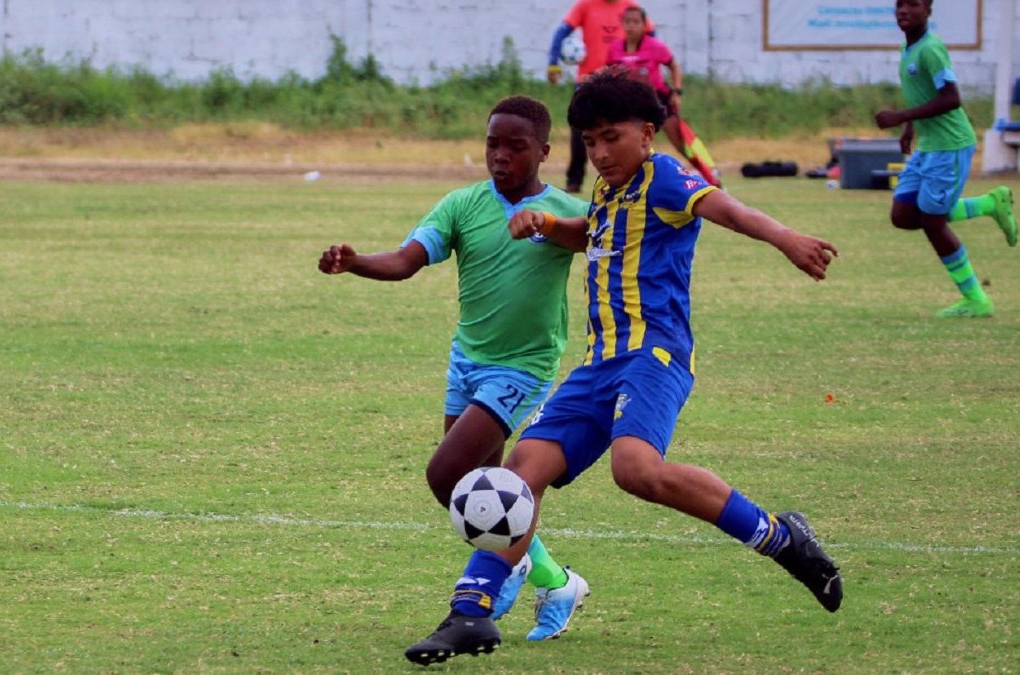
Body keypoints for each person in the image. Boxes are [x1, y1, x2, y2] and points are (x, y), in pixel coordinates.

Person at [404, 69, 844, 667]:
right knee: (519, 473)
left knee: (635, 469)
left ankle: (780, 536)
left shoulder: (663, 175)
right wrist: (547, 225)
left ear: (647, 132)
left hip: (654, 354)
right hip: (599, 362)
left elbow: (727, 208)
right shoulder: (610, 191)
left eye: (611, 138)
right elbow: (594, 234)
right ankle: (470, 613)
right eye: (589, 142)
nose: (601, 153)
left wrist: (786, 237)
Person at [318, 95, 594, 642]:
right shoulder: (462, 204)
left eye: (515, 147)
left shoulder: (562, 209)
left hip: (523, 367)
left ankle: (514, 568)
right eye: (493, 144)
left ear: (542, 151)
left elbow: (591, 237)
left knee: (445, 477)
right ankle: (554, 579)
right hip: (466, 362)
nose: (501, 157)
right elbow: (405, 261)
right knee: (472, 490)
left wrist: (544, 225)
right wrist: (355, 264)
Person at [874, 0, 1016, 318]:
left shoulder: (931, 49)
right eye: (900, 4)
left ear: (928, 10)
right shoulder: (908, 49)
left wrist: (900, 116)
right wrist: (911, 126)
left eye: (913, 4)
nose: (903, 11)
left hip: (950, 146)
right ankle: (989, 204)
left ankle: (976, 299)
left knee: (932, 223)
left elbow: (951, 98)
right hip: (930, 146)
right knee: (903, 215)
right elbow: (923, 92)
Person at [608, 5, 722, 187]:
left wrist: (677, 92)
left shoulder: (654, 46)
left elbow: (674, 66)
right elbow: (610, 73)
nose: (631, 26)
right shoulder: (615, 49)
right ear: (622, 24)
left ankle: (711, 175)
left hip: (658, 100)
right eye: (627, 22)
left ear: (644, 25)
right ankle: (629, 181)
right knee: (629, 140)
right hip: (631, 104)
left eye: (636, 22)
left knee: (680, 140)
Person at [547, 0, 652, 194]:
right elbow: (561, 32)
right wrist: (553, 63)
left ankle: (633, 178)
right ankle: (574, 181)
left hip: (620, 82)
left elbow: (651, 37)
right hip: (588, 80)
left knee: (623, 131)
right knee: (580, 130)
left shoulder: (629, 7)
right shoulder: (585, 5)